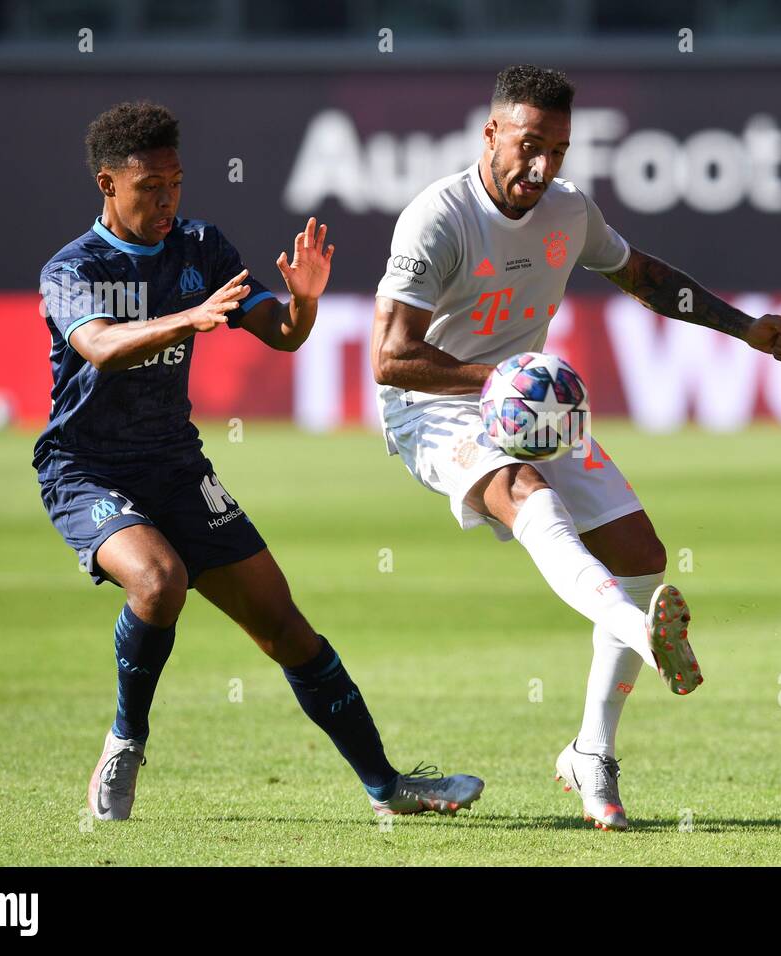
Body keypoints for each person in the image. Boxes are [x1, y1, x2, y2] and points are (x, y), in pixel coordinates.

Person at [371, 66, 781, 831]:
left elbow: (642, 277)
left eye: (560, 150)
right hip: (433, 407)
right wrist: (502, 377)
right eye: (529, 146)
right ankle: (645, 635)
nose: (542, 168)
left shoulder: (568, 211)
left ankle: (589, 753)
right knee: (525, 495)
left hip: (528, 403)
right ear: (491, 134)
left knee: (641, 554)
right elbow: (389, 357)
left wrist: (747, 328)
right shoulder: (437, 217)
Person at [36, 101, 482, 822]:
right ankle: (126, 739)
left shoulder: (200, 245)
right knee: (158, 581)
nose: (167, 201)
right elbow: (100, 346)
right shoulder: (72, 267)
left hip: (178, 467)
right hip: (88, 469)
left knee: (284, 627)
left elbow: (280, 333)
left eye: (176, 184)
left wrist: (302, 304)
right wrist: (189, 317)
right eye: (150, 187)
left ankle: (387, 787)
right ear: (107, 184)